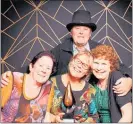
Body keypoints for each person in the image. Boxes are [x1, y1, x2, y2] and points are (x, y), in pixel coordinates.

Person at [1, 10, 132, 96]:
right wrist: (11, 75)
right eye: (77, 28)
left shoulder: (99, 49)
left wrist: (130, 80)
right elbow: (40, 62)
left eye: (85, 29)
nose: (81, 32)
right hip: (67, 98)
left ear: (90, 33)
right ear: (71, 32)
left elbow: (120, 66)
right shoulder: (60, 49)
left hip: (93, 98)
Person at [1, 51, 56, 123]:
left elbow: (46, 116)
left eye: (48, 68)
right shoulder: (13, 79)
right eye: (41, 65)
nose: (44, 70)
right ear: (31, 67)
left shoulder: (49, 87)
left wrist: (55, 118)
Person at [44, 51, 99, 123]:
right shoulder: (51, 83)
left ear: (87, 72)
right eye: (78, 61)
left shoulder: (90, 90)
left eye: (85, 65)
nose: (79, 66)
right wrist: (54, 118)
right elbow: (41, 112)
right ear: (72, 60)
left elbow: (95, 118)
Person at [90, 45, 132, 123]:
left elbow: (128, 115)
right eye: (96, 63)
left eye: (104, 64)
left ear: (111, 66)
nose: (99, 68)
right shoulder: (92, 82)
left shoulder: (116, 77)